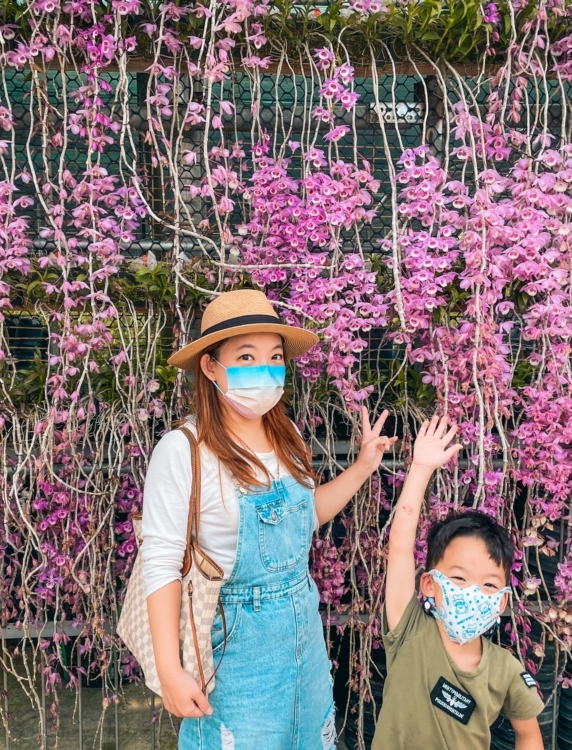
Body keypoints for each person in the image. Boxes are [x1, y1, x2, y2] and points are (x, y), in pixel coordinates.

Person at [140, 289, 396, 750]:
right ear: (210, 366)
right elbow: (160, 562)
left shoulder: (287, 435)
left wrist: (361, 467)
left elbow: (304, 518)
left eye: (274, 357)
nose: (265, 369)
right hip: (234, 643)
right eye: (246, 356)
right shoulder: (182, 450)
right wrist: (169, 670)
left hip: (303, 630)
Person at [374, 416, 545, 750]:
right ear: (428, 584)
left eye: (489, 585)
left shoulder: (505, 670)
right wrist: (421, 467)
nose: (472, 593)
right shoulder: (408, 631)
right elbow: (399, 547)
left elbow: (529, 735)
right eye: (458, 578)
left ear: (502, 602)